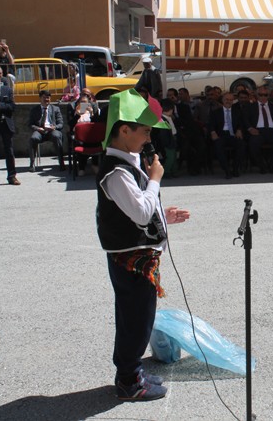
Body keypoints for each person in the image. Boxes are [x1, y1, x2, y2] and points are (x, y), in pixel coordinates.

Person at [96, 88, 190, 401]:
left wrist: (165, 214)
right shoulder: (116, 171)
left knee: (139, 316)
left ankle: (132, 371)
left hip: (139, 257)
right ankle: (128, 381)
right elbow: (138, 212)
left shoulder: (129, 162)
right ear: (124, 130)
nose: (149, 138)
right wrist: (156, 178)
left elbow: (140, 208)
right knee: (135, 319)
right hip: (130, 260)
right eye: (145, 131)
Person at [243, 85, 273, 174]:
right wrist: (250, 128)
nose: (263, 97)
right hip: (258, 131)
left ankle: (272, 165)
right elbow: (245, 119)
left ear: (268, 96)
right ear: (256, 95)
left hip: (272, 131)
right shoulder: (250, 106)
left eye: (265, 95)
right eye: (260, 95)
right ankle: (262, 166)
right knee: (253, 144)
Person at [0, 64, 19, 186]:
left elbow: (12, 107)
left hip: (6, 124)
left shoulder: (7, 89)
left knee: (10, 151)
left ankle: (12, 176)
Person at [210, 91, 246, 178]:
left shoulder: (237, 111)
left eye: (231, 100)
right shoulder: (215, 112)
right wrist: (212, 132)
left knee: (242, 145)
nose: (228, 101)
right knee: (218, 147)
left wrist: (239, 129)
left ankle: (235, 168)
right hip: (221, 135)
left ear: (233, 101)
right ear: (222, 100)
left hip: (233, 134)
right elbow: (210, 124)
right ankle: (227, 170)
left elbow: (242, 123)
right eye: (226, 99)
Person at [28, 90, 66, 172]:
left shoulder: (56, 109)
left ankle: (61, 163)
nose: (46, 100)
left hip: (52, 130)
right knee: (33, 138)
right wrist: (38, 128)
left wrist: (54, 127)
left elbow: (61, 124)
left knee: (57, 136)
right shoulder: (34, 110)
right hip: (40, 130)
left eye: (48, 98)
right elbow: (30, 124)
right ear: (40, 98)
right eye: (44, 98)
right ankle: (32, 163)